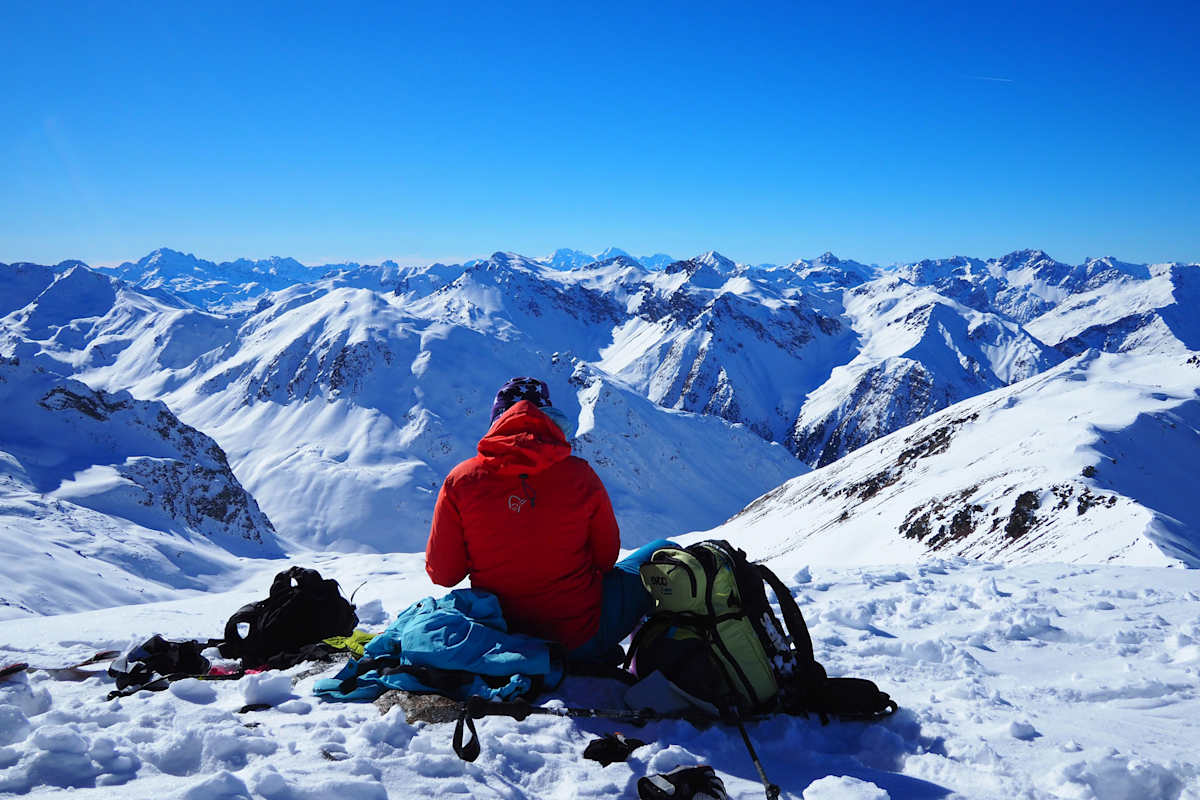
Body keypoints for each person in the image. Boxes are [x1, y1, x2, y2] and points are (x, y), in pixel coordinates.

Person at [425, 377, 673, 666]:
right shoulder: (581, 476)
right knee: (665, 552)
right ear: (550, 420)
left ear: (496, 421)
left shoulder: (461, 481)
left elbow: (444, 574)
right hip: (578, 639)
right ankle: (654, 663)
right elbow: (605, 560)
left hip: (501, 643)